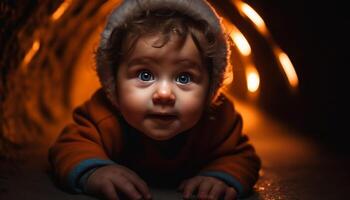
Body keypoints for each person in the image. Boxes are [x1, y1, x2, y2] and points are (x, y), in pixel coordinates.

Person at [48, 0, 261, 199]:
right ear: (114, 82)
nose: (164, 94)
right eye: (145, 75)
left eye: (184, 77)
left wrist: (218, 176)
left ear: (210, 88)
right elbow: (70, 145)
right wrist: (95, 171)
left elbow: (242, 156)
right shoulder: (104, 113)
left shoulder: (218, 119)